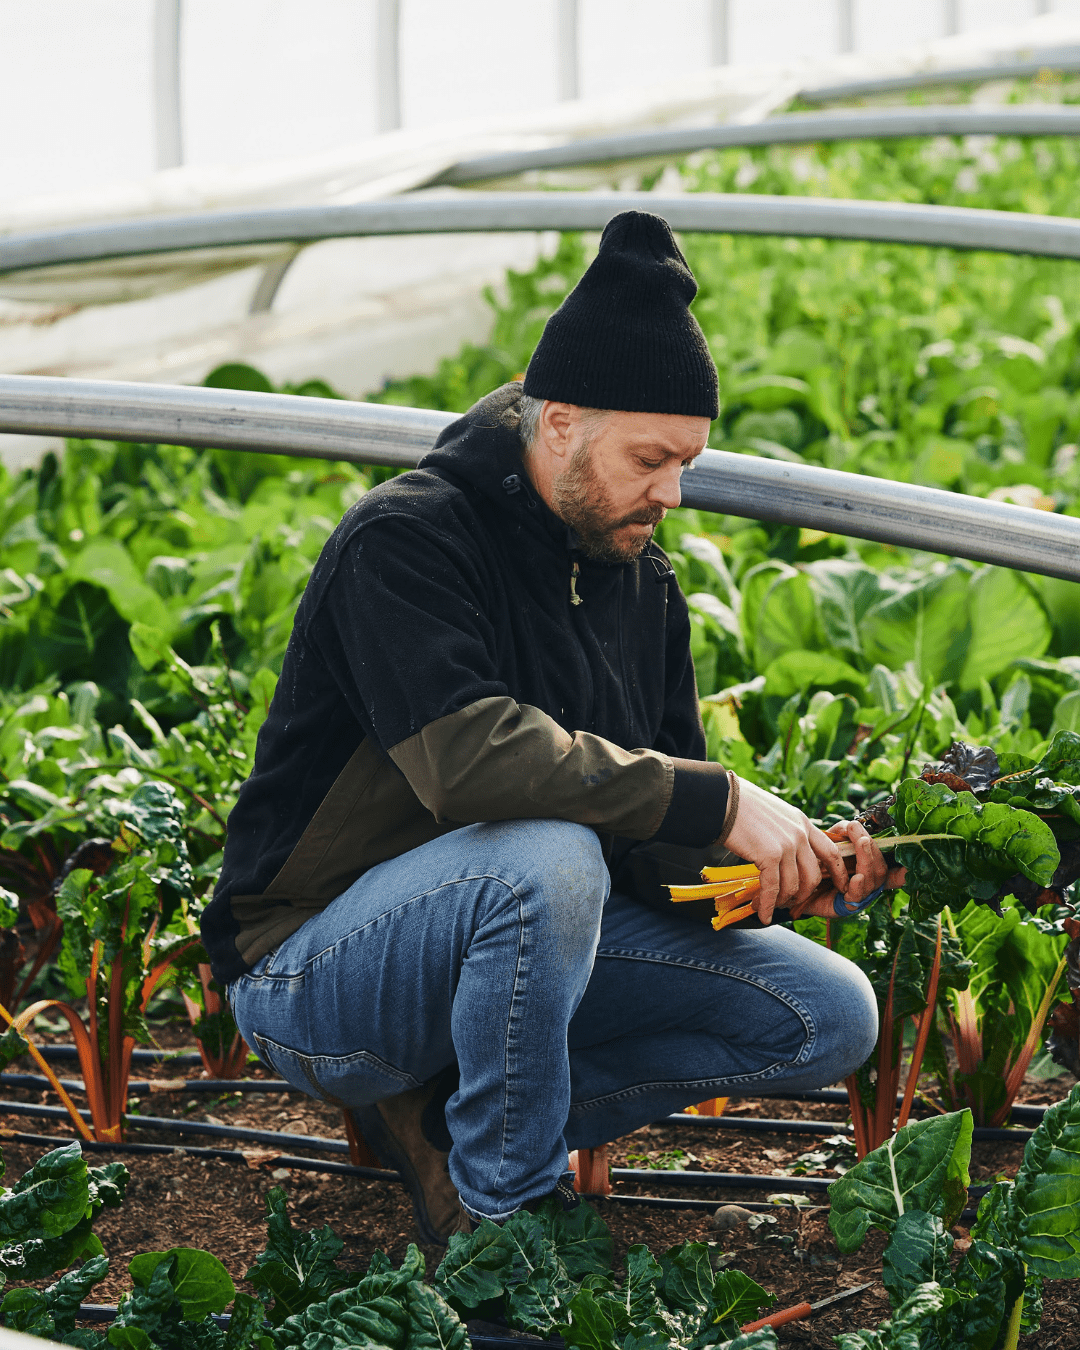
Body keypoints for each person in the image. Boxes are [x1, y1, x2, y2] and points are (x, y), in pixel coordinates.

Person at [201, 209, 900, 1244]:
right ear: (559, 420)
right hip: (317, 969)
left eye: (687, 466)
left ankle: (457, 1126)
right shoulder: (407, 538)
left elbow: (651, 838)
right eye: (651, 459)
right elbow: (467, 761)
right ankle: (503, 1232)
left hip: (524, 935)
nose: (671, 494)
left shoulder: (640, 583)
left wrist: (760, 871)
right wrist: (718, 799)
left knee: (829, 1013)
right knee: (546, 855)